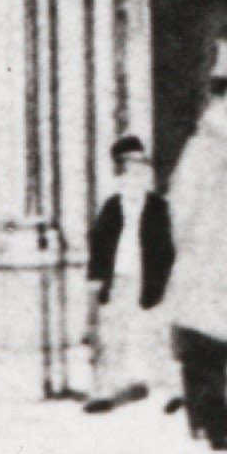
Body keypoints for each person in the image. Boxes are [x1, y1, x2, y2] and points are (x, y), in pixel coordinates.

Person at [161, 45, 227, 454]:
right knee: (208, 346)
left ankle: (202, 420)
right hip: (208, 259)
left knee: (206, 342)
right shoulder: (212, 142)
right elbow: (183, 204)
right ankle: (216, 428)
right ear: (223, 96)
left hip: (220, 257)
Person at [81, 131, 173, 411]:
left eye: (140, 170)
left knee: (155, 334)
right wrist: (96, 280)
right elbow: (98, 244)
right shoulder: (111, 207)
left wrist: (164, 281)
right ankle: (103, 391)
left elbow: (167, 248)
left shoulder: (158, 207)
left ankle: (167, 390)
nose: (134, 178)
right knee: (111, 336)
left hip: (150, 279)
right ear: (119, 175)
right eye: (128, 172)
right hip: (118, 278)